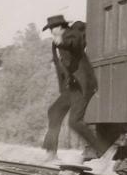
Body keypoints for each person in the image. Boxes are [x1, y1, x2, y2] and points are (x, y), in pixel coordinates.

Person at [41, 15, 103, 162]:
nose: (51, 31)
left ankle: (99, 149)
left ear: (61, 27)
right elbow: (60, 69)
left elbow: (75, 44)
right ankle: (51, 153)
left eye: (53, 28)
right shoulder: (55, 43)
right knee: (54, 111)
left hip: (83, 85)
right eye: (50, 29)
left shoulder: (72, 34)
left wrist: (62, 42)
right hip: (71, 87)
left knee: (74, 121)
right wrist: (63, 90)